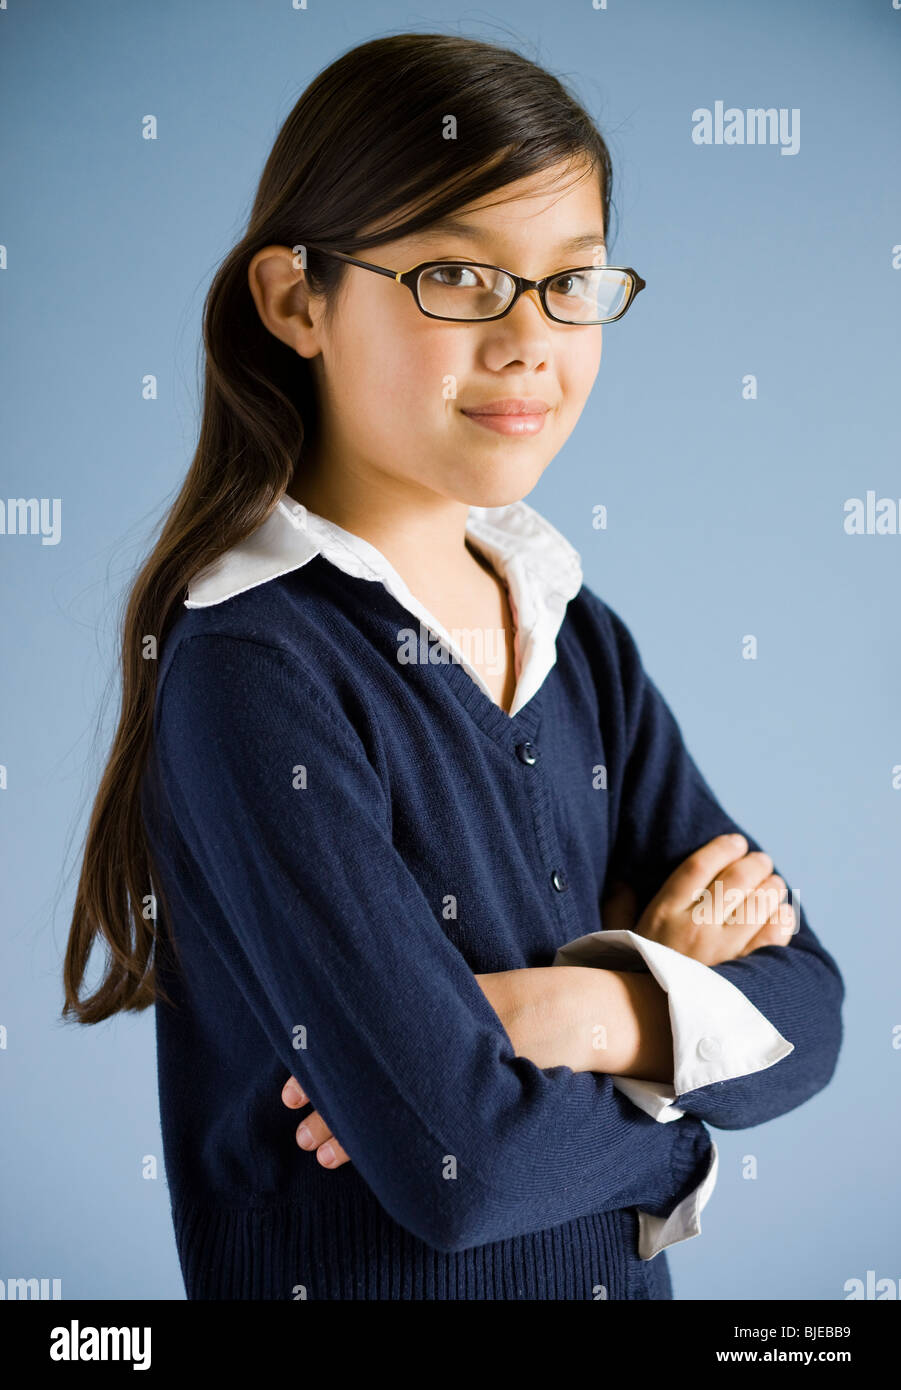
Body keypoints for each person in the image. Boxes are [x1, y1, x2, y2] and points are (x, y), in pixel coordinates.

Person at [62, 32, 844, 1301]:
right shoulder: (253, 670)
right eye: (459, 278)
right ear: (295, 301)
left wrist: (571, 1010)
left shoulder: (577, 636)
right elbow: (462, 1168)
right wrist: (681, 1069)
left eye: (572, 282)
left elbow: (810, 1013)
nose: (530, 340)